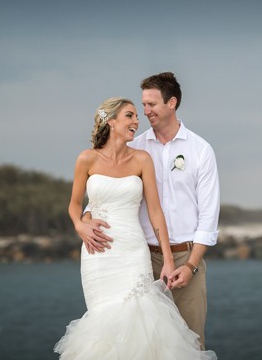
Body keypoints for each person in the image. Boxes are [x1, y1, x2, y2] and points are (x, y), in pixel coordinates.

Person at [55, 97, 216, 359]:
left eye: (136, 117)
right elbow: (74, 205)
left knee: (142, 323)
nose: (137, 121)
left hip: (133, 253)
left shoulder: (142, 159)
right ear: (111, 121)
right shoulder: (86, 158)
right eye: (130, 116)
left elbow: (155, 212)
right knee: (104, 328)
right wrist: (79, 226)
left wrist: (166, 260)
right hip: (99, 255)